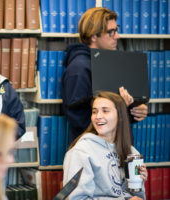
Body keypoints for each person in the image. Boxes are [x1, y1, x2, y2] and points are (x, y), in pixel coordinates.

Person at [61, 7, 148, 144]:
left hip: (116, 147)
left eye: (116, 30)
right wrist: (121, 110)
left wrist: (134, 111)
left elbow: (117, 103)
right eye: (111, 32)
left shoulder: (110, 62)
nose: (117, 36)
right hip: (93, 151)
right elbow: (80, 120)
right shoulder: (79, 69)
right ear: (94, 36)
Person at [63, 91, 148, 200]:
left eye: (105, 111)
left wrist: (139, 184)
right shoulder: (81, 151)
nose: (98, 116)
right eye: (94, 112)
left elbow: (138, 197)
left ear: (120, 116)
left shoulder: (132, 152)